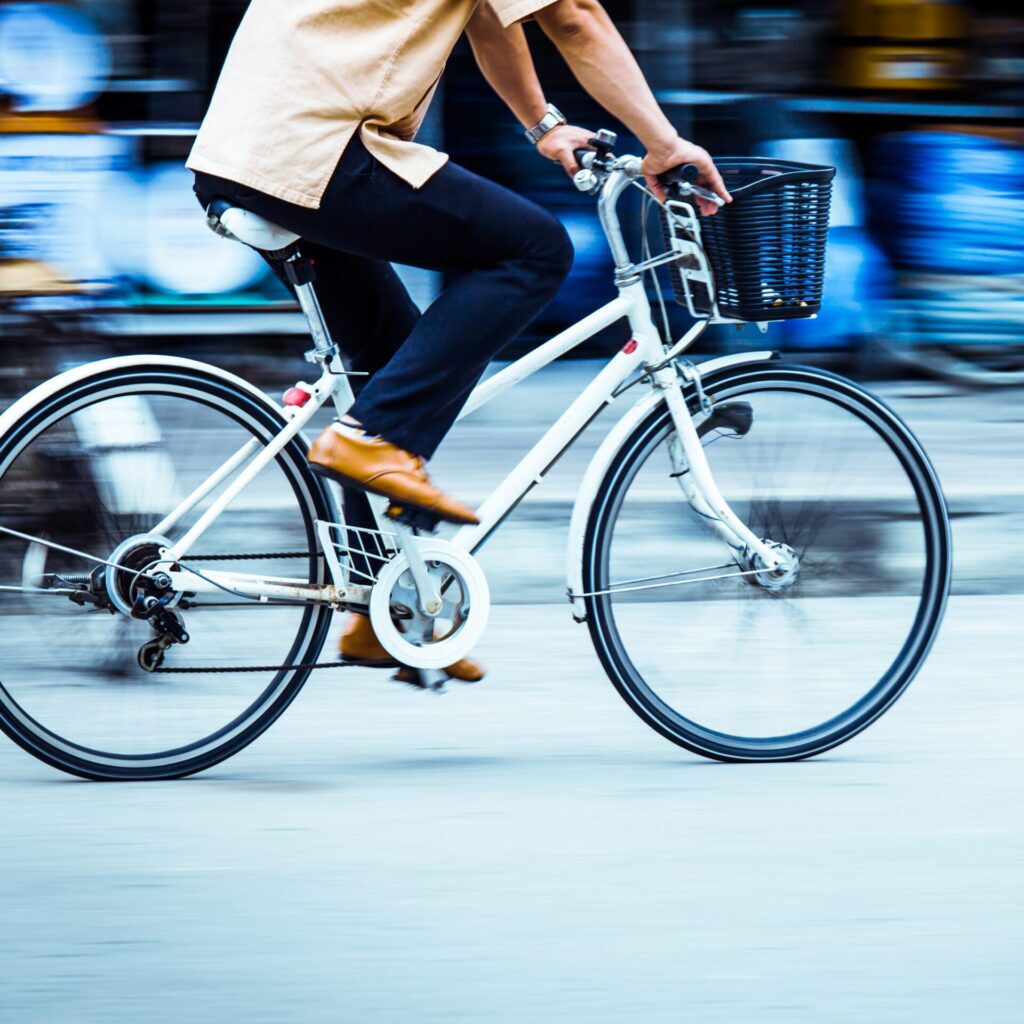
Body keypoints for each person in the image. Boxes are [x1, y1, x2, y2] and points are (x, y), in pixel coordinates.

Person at [188, 0, 730, 683]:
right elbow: (576, 16)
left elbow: (486, 17)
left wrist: (545, 127)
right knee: (534, 250)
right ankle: (369, 440)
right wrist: (664, 143)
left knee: (390, 370)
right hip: (320, 146)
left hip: (245, 151)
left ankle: (380, 607)